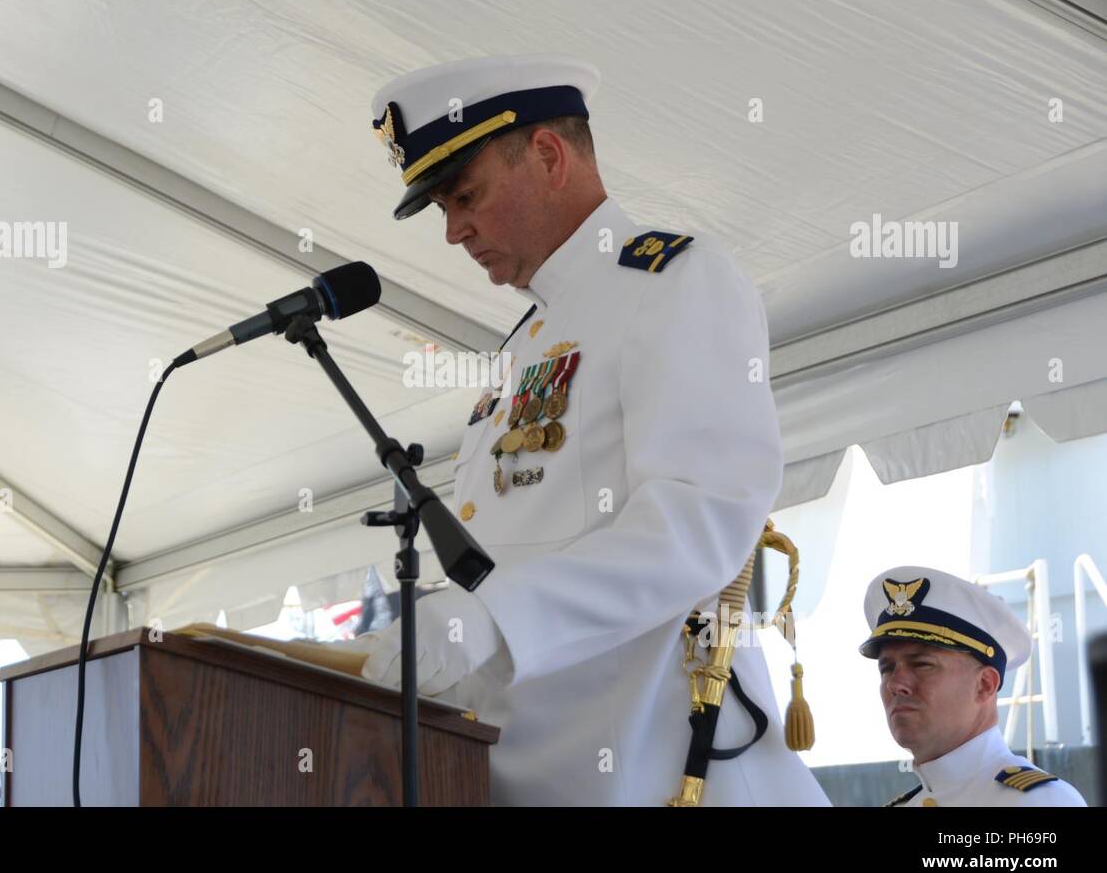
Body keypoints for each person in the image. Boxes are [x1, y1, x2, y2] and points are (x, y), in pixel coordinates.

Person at [353, 54, 828, 806]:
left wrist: (494, 618)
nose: (453, 232)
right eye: (442, 208)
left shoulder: (673, 282)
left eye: (464, 195)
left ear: (546, 154)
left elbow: (700, 519)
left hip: (656, 777)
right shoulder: (523, 348)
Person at [861, 565, 1087, 806]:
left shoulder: (1042, 802)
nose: (895, 684)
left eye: (922, 664)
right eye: (887, 669)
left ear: (985, 684)